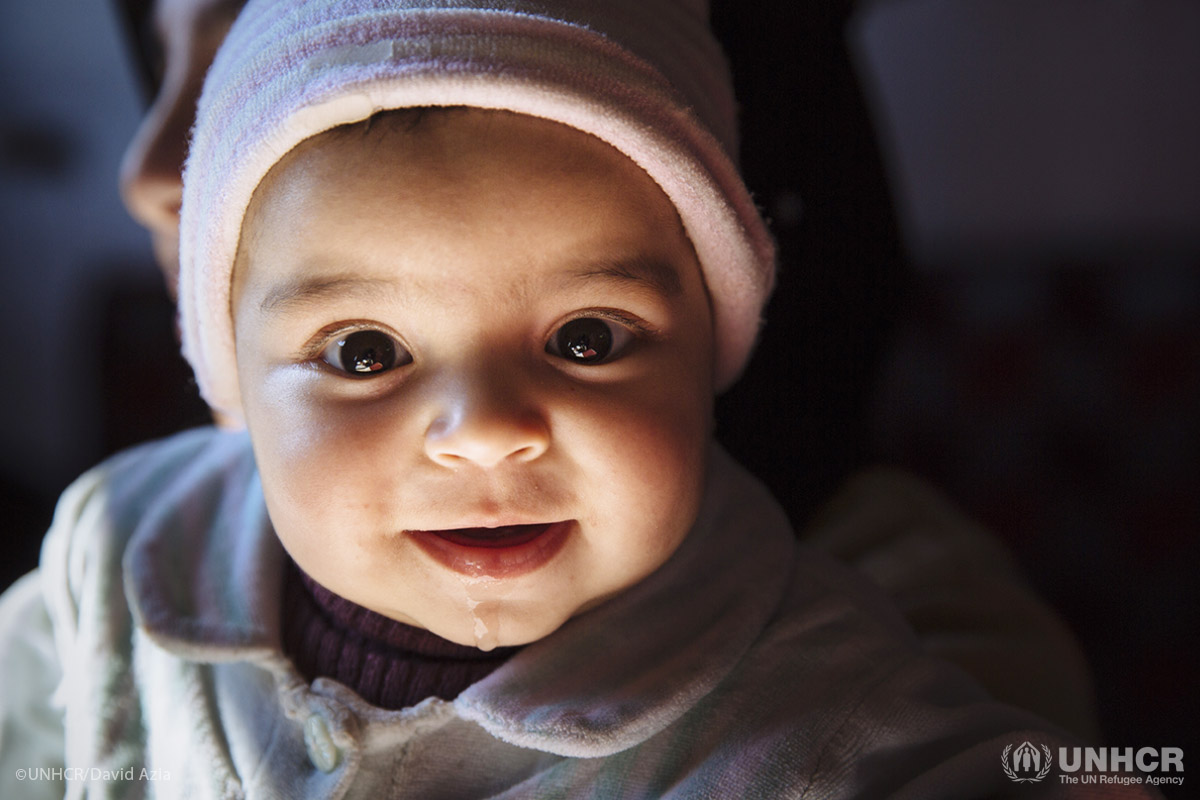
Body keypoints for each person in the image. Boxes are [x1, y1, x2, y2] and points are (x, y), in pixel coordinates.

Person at [0, 0, 1143, 796]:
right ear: (232, 376)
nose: (489, 430)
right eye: (362, 351)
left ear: (711, 358)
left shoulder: (824, 701)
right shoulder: (114, 551)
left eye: (586, 337)